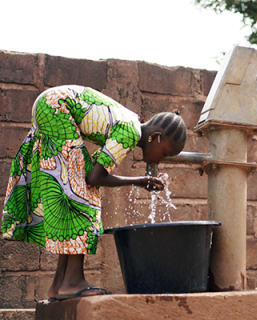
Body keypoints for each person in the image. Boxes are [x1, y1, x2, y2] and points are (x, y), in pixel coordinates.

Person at [1, 85, 187, 300]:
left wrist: (139, 181)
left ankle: (59, 284)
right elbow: (95, 178)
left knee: (73, 194)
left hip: (51, 104)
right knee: (83, 196)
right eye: (165, 153)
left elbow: (92, 171)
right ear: (155, 137)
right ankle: (73, 281)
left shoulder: (129, 122)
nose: (160, 160)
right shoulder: (130, 132)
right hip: (57, 107)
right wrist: (139, 181)